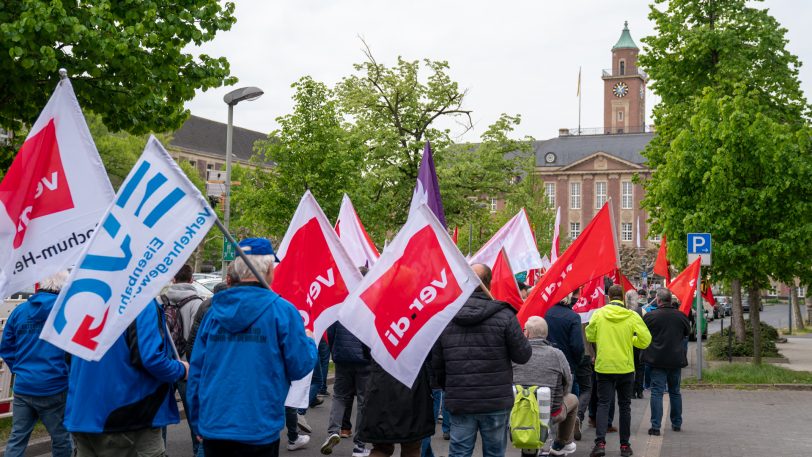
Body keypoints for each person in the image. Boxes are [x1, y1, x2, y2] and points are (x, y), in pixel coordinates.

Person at [187, 238, 317, 457]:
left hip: (214, 424)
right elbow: (300, 366)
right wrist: (310, 342)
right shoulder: (282, 311)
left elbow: (197, 371)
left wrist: (197, 420)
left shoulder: (213, 313)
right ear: (267, 269)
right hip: (259, 425)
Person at [65, 296, 188, 456]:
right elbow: (150, 359)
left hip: (82, 412)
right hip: (128, 415)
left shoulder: (83, 299)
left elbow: (67, 358)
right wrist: (181, 369)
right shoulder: (139, 299)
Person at [432, 264, 532, 457]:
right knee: (494, 453)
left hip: (461, 399)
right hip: (495, 401)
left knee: (459, 452)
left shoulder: (446, 316)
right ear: (489, 283)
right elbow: (523, 356)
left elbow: (437, 364)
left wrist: (449, 387)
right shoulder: (505, 315)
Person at [0, 272, 72, 457]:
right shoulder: (66, 312)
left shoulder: (19, 311)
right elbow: (74, 350)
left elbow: (6, 346)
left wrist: (20, 369)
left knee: (17, 439)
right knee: (62, 439)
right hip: (55, 386)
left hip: (23, 386)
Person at [585, 285, 651, 457]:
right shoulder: (631, 315)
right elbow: (645, 340)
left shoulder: (599, 314)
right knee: (625, 407)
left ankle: (600, 444)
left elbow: (590, 335)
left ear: (608, 297)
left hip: (604, 366)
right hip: (625, 367)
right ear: (622, 298)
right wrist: (631, 339)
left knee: (603, 404)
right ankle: (625, 446)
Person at [513, 316, 578, 456]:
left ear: (527, 334)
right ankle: (562, 442)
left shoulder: (516, 354)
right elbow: (568, 381)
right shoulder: (557, 354)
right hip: (550, 412)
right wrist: (561, 394)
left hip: (519, 412)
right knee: (573, 398)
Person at [164, 263, 205, 456]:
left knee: (161, 413)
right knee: (193, 414)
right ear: (191, 280)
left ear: (173, 279)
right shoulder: (197, 303)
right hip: (188, 366)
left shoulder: (161, 300)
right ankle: (198, 451)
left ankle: (160, 451)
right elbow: (197, 337)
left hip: (165, 364)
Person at [357, 359, 434, 457]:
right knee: (411, 448)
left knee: (382, 448)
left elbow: (367, 352)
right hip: (413, 391)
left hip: (379, 389)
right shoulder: (417, 343)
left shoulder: (378, 343)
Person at [320, 310, 372, 456]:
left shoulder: (341, 306)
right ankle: (359, 446)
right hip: (364, 358)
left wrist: (334, 351)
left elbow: (330, 331)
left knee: (340, 396)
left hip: (342, 356)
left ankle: (333, 431)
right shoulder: (368, 304)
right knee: (363, 401)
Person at [642, 288, 690, 436]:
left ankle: (655, 426)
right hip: (676, 360)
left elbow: (643, 335)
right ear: (670, 300)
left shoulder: (650, 317)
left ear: (658, 300)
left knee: (657, 392)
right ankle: (676, 423)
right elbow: (687, 333)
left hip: (657, 360)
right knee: (675, 392)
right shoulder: (681, 317)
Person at [545, 294, 585, 391]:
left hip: (547, 362)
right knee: (569, 398)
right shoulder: (573, 316)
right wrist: (576, 363)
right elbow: (577, 345)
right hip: (567, 364)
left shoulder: (545, 312)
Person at [626, 290, 645, 400]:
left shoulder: (623, 311)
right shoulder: (642, 310)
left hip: (627, 342)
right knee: (640, 367)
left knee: (630, 367)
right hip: (638, 342)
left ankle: (631, 391)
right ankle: (640, 391)